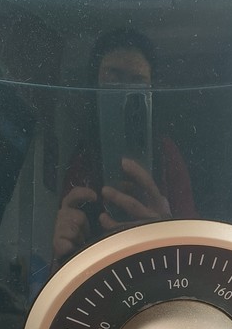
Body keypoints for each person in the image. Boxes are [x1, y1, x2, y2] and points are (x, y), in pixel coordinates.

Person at [52, 31, 195, 263]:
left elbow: (192, 251)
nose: (123, 92)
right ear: (94, 87)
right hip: (97, 273)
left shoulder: (166, 154)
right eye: (112, 80)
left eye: (137, 83)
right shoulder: (83, 159)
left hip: (157, 271)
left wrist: (164, 230)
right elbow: (63, 253)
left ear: (151, 93)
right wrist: (63, 251)